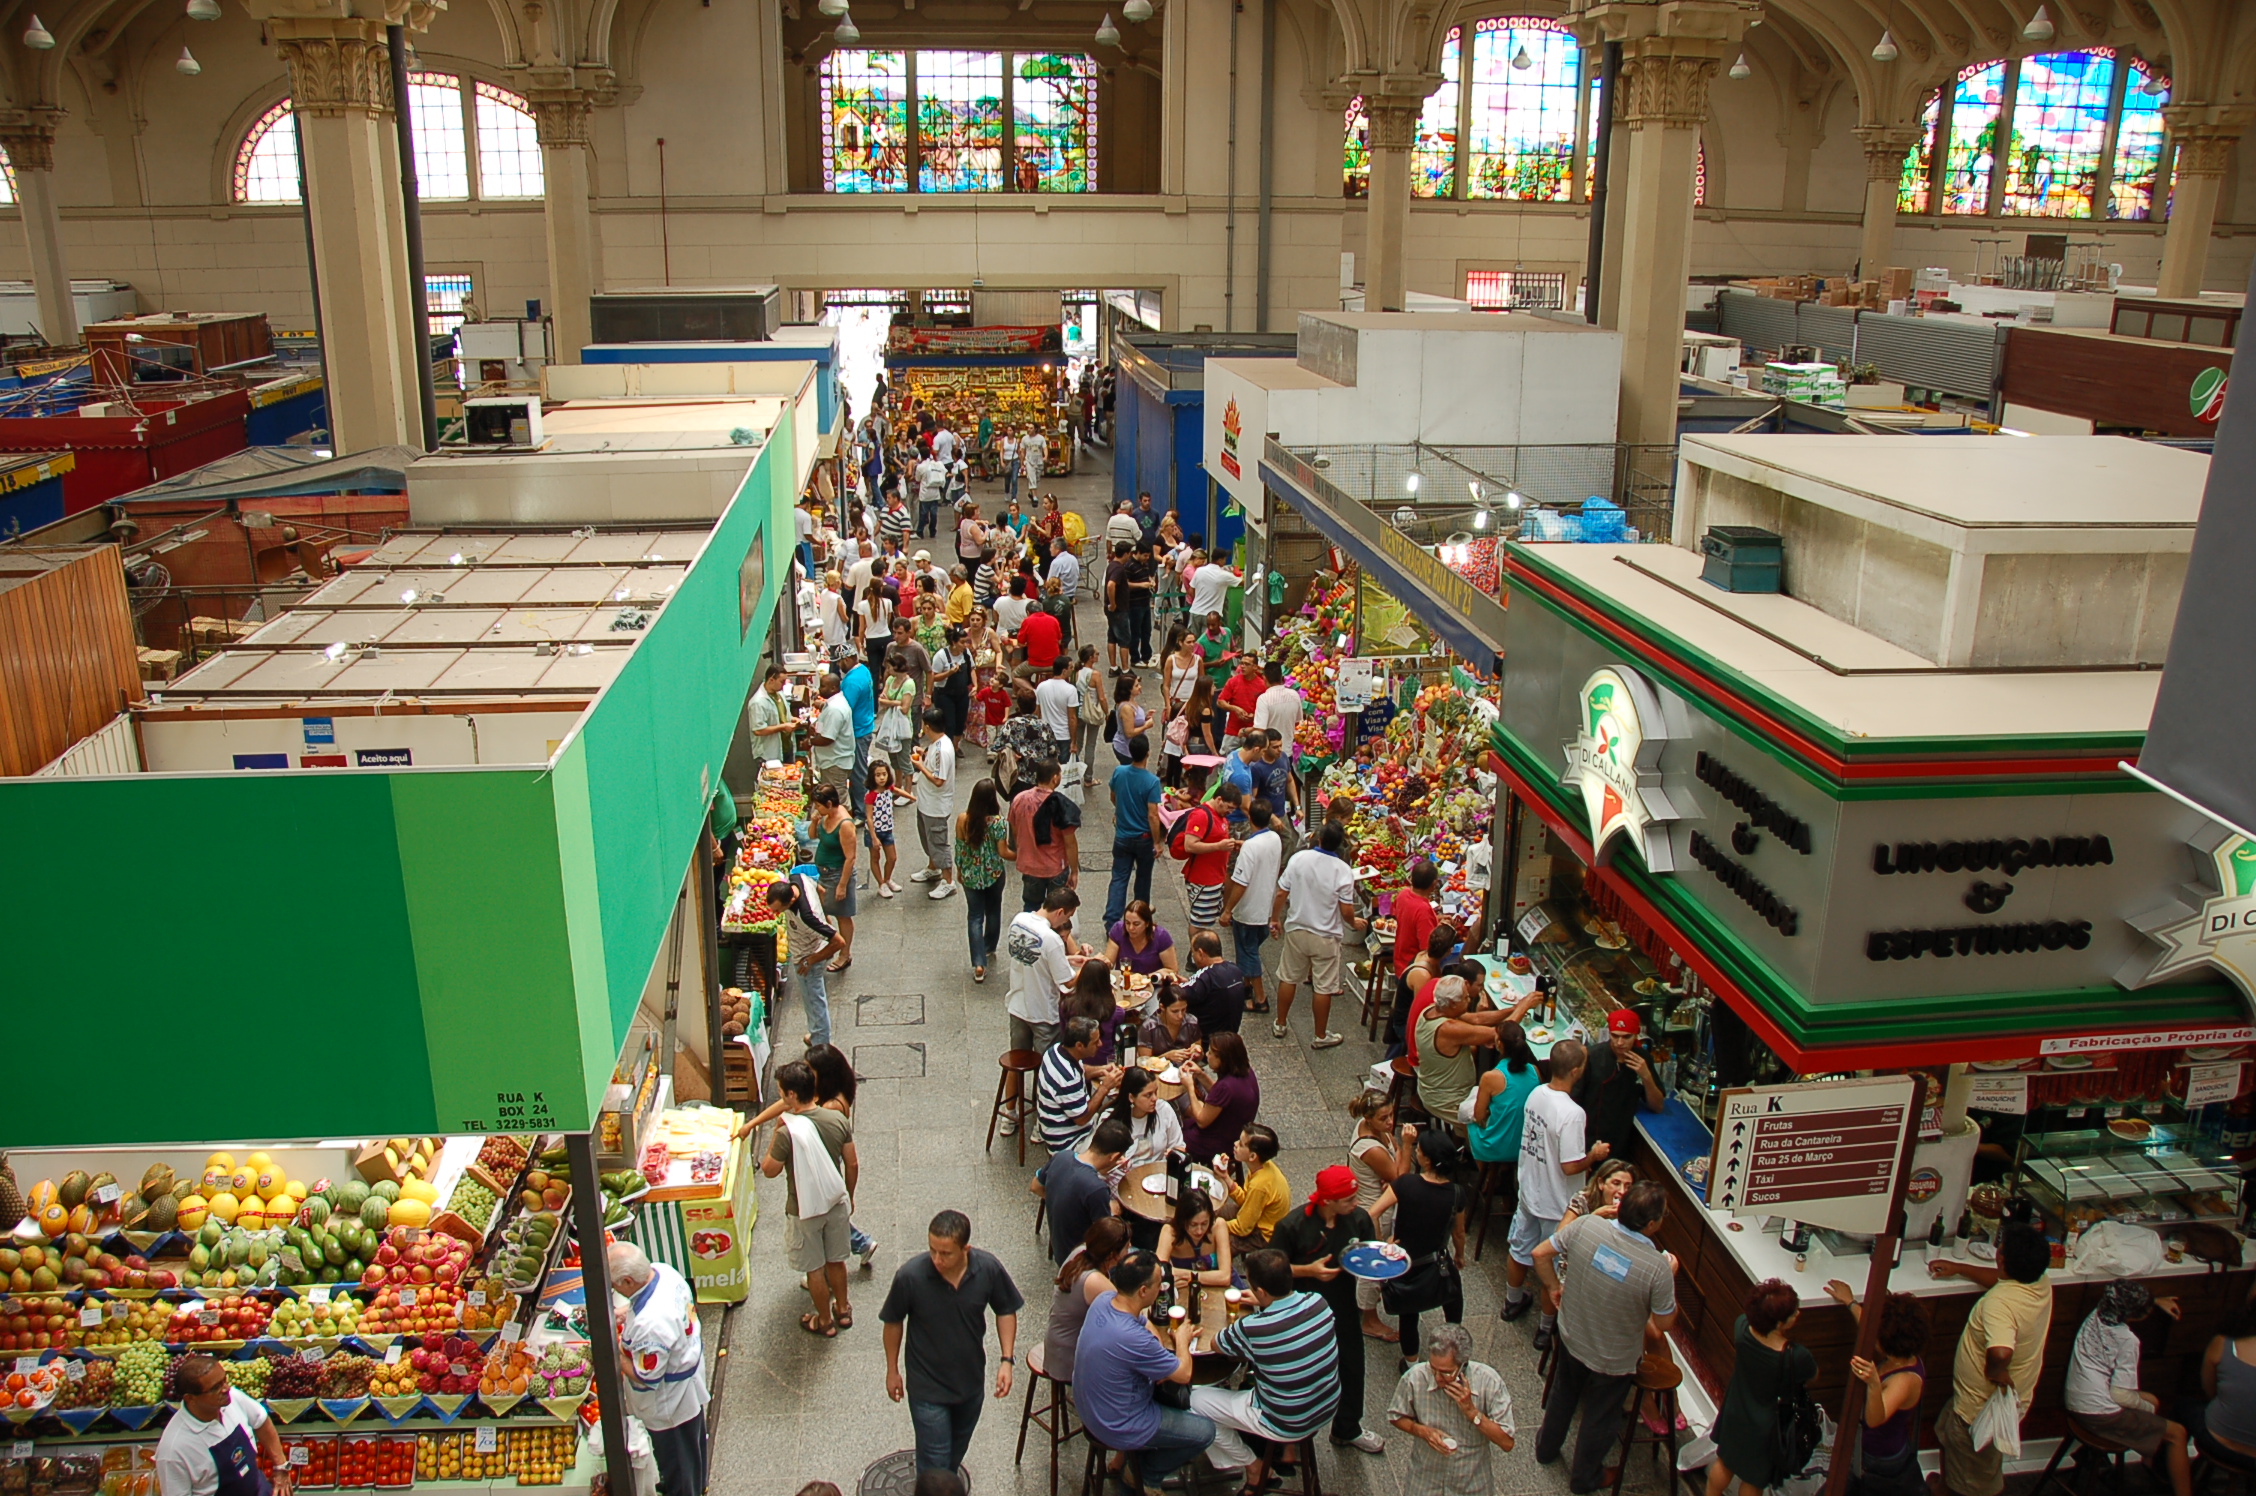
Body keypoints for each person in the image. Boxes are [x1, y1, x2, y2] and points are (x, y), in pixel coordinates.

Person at [1530, 1179, 1678, 1493]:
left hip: (1572, 1335)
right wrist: (1671, 1279)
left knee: (1563, 1395)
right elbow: (1663, 1324)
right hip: (1614, 1359)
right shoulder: (1657, 1267)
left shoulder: (1587, 1226)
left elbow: (1540, 1253)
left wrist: (1554, 1287)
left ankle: (1545, 1448)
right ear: (1651, 1224)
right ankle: (1585, 1478)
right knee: (1600, 1418)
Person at [879, 1210, 1023, 1479]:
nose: (937, 1259)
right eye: (932, 1250)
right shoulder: (910, 1277)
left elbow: (1005, 1309)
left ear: (965, 1249)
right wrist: (892, 1369)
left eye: (945, 1253)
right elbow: (893, 1321)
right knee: (935, 1462)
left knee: (955, 1452)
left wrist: (1006, 1360)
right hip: (927, 1388)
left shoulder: (987, 1269)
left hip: (969, 1384)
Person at [1193, 1248, 1343, 1489]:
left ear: (1260, 1291)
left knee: (1195, 1401)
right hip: (1327, 1406)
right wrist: (1265, 1303)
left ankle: (1253, 1466)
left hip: (1283, 1419)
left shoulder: (1254, 1328)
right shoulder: (1319, 1303)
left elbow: (1216, 1345)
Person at [1071, 1251, 1215, 1490]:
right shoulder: (1131, 1338)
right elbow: (1183, 1374)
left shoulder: (1104, 1301)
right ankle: (1145, 1473)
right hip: (1118, 1422)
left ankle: (1130, 1459)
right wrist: (1181, 1339)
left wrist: (1155, 1349)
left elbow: (1144, 1322)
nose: (1162, 1288)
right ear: (1143, 1291)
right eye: (1159, 1284)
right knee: (1205, 1431)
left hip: (1090, 1406)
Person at [1270, 1165, 1388, 1454]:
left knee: (1352, 1365)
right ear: (1327, 1201)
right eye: (1348, 1199)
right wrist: (1307, 1270)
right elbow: (1271, 1271)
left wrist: (1382, 1259)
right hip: (1301, 1312)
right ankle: (1291, 1430)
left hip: (1343, 1307)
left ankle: (1347, 1428)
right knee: (1299, 1372)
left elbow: (1365, 1256)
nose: (1356, 1203)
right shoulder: (1292, 1226)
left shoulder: (1358, 1220)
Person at [1930, 1222, 2053, 1496]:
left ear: (2001, 1258)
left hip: (1981, 1410)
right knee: (1945, 1432)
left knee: (1978, 1482)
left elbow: (2000, 1351)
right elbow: (2002, 1280)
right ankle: (1946, 1486)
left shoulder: (1999, 1304)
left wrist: (1998, 1372)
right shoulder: (2039, 1282)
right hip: (1975, 1401)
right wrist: (1960, 1268)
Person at [1502, 1038, 1605, 1346]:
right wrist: (1595, 1155)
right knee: (1554, 1268)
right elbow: (1571, 1166)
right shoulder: (1573, 1114)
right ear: (1576, 1071)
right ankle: (1546, 1328)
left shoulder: (1536, 1093)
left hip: (1530, 1190)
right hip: (1557, 1203)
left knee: (1519, 1248)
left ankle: (1511, 1301)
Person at [601, 1243, 714, 1496]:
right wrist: (625, 1312)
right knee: (690, 1453)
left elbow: (646, 1375)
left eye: (615, 1285)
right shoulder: (662, 1272)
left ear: (628, 1281)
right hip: (686, 1382)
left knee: (680, 1466)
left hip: (669, 1404)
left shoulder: (651, 1323)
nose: (614, 1290)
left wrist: (614, 1355)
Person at [761, 1059, 860, 1337]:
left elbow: (769, 1170)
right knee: (837, 1260)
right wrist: (849, 1197)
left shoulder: (787, 1132)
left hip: (803, 1209)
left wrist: (776, 1133)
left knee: (815, 1268)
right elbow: (852, 1164)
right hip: (834, 1202)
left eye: (782, 1092)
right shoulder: (837, 1119)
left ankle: (824, 1321)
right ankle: (843, 1309)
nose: (781, 1097)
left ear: (792, 1094)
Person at [2064, 1281, 2190, 1496]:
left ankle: (2146, 1456)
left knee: (2149, 1405)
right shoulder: (2127, 1340)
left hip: (2074, 1398)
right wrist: (2148, 1404)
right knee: (2177, 1433)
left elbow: (2121, 1294)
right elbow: (2120, 1395)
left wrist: (2155, 1301)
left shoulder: (2096, 1313)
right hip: (2098, 1413)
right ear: (2137, 1315)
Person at [1707, 1280, 1818, 1496]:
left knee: (1725, 1462)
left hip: (1735, 1410)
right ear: (1778, 1323)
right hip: (1765, 1426)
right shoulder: (1796, 1356)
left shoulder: (1742, 1328)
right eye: (1793, 1313)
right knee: (1753, 1480)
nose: (1798, 1315)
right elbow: (1813, 1376)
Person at [1817, 1284, 1929, 1496]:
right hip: (1883, 1450)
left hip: (1877, 1459)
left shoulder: (1903, 1381)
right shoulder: (1904, 1357)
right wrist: (1850, 1303)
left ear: (1887, 1342)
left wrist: (1874, 1384)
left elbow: (1875, 1419)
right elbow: (1872, 1330)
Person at [1387, 1322, 1515, 1496]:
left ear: (1463, 1365)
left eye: (1446, 1373)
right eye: (1433, 1370)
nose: (1438, 1379)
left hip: (1471, 1484)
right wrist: (1423, 1431)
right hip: (1425, 1482)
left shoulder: (1489, 1382)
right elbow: (1396, 1416)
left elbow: (1507, 1442)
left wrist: (1472, 1412)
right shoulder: (1416, 1377)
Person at [1371, 1124, 1465, 1361]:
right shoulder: (1456, 1193)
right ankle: (1453, 1352)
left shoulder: (1406, 1184)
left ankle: (1411, 1362)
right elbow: (1459, 1233)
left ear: (1427, 1160)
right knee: (1453, 1303)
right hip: (1438, 1263)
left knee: (1408, 1315)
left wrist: (1383, 1245)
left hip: (1406, 1264)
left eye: (1419, 1150)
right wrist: (1460, 1256)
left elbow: (1373, 1213)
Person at [1270, 822, 1364, 1050]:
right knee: (1323, 987)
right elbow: (1346, 910)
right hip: (1326, 936)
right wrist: (1354, 923)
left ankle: (1280, 1023)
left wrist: (1274, 919)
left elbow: (1282, 892)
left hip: (1297, 929)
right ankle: (1320, 1035)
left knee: (1288, 977)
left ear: (1319, 839)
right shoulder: (1342, 870)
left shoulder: (1299, 859)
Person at [1004, 887, 1087, 1133]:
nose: (1066, 922)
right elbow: (1068, 982)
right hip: (1043, 1012)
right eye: (1068, 916)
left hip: (1018, 1006)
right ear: (1060, 912)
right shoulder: (1051, 938)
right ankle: (1041, 1121)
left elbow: (1035, 959)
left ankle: (1009, 1114)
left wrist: (1069, 961)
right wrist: (1087, 968)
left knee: (1016, 1055)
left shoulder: (1019, 920)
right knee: (1045, 1068)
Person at [155, 1353, 290, 1496]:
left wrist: (280, 1466)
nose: (226, 1389)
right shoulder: (173, 1450)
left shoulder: (232, 1399)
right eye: (215, 1388)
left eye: (224, 1380)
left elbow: (261, 1420)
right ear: (190, 1398)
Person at [1414, 976, 1521, 1123]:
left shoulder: (1432, 1010)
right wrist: (1524, 1006)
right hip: (1448, 1100)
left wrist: (1513, 1009)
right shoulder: (1448, 1029)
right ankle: (1471, 1142)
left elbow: (1478, 1020)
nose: (1469, 1000)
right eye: (1465, 998)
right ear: (1452, 1003)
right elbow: (1500, 1035)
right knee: (1498, 1120)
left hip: (1435, 1088)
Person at [1047, 1218, 1134, 1386]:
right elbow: (1128, 1313)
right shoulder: (1094, 1281)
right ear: (1112, 1255)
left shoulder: (1081, 1252)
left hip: (1058, 1345)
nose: (1130, 1248)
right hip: (1069, 1358)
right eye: (1126, 1246)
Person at [1468, 1022, 1540, 1221]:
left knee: (1470, 1126)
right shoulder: (1535, 1071)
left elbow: (1478, 1115)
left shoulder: (1491, 1077)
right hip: (1525, 1144)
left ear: (1499, 1043)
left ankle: (1489, 1175)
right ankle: (1504, 1174)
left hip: (1499, 1146)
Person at [1033, 1117, 1129, 1264]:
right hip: (1083, 1261)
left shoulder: (1061, 1157)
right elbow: (1106, 1237)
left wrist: (1062, 1200)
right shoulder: (1097, 1189)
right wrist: (1113, 1211)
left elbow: (1035, 1186)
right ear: (1114, 1156)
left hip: (1061, 1251)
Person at [1575, 1009, 1667, 1155]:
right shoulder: (1592, 1057)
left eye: (1626, 1037)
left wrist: (1646, 1077)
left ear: (1636, 1035)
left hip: (1620, 1142)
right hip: (1588, 1140)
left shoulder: (1643, 1060)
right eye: (1615, 1036)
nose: (1619, 1043)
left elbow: (1657, 1106)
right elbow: (1573, 1102)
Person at [765, 874, 841, 1050]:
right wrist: (826, 919)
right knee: (810, 1000)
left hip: (809, 955)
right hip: (805, 949)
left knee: (814, 1000)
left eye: (778, 910)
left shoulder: (807, 917)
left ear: (791, 902)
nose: (775, 914)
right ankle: (817, 1034)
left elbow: (839, 942)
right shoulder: (798, 879)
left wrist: (811, 960)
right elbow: (821, 889)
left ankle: (821, 1045)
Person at [1224, 800, 1284, 1014]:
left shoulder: (1251, 847)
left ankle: (1260, 999)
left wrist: (1228, 909)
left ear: (1250, 818)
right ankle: (1246, 986)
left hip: (1248, 910)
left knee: (1248, 952)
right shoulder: (1274, 839)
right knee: (1248, 950)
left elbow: (1241, 882)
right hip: (1265, 907)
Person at [954, 777, 1014, 982]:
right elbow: (1003, 852)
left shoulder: (963, 819)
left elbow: (960, 849)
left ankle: (978, 963)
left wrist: (960, 870)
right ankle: (989, 946)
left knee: (974, 916)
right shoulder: (998, 822)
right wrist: (1021, 856)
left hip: (971, 875)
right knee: (994, 909)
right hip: (994, 874)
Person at [1039, 1016, 1125, 1155]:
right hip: (1069, 1143)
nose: (1100, 1044)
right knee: (1122, 1138)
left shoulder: (1055, 1051)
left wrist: (1101, 1069)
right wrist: (1104, 1087)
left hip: (1068, 1128)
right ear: (1079, 1045)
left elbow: (1081, 1069)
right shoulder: (1066, 1077)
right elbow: (1082, 1118)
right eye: (1095, 1042)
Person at [1106, 733, 1165, 928]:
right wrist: (1157, 842)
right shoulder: (1152, 781)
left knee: (1119, 878)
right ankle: (1141, 918)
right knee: (1143, 879)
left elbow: (1113, 796)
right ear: (1148, 753)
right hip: (1144, 837)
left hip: (1122, 835)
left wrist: (1120, 812)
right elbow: (1153, 814)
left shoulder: (1119, 772)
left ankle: (1112, 920)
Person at [1382, 862, 1442, 1045]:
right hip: (1413, 968)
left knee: (1402, 1010)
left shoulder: (1403, 895)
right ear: (1433, 885)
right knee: (1410, 1017)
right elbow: (1428, 949)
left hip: (1400, 960)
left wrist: (1436, 920)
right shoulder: (1423, 910)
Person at [1010, 759, 1081, 911]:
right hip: (1055, 866)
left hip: (1030, 866)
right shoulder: (1061, 805)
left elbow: (1015, 831)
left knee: (1031, 907)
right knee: (1056, 911)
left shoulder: (1019, 800)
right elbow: (1070, 843)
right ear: (1055, 778)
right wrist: (1074, 870)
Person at [2196, 1296, 2256, 1471]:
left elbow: (2210, 1391)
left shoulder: (2224, 1344)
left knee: (2182, 1408)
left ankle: (2164, 1477)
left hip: (2221, 1442)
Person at [904, 708, 958, 900]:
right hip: (926, 803)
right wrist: (923, 755)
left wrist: (919, 766)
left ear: (927, 727)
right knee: (928, 839)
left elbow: (939, 780)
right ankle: (933, 867)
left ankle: (948, 881)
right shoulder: (936, 745)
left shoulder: (943, 749)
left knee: (938, 842)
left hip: (936, 806)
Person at [1181, 1029, 1260, 1161]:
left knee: (1172, 1134)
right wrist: (1200, 1074)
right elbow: (1220, 1098)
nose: (1207, 1055)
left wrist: (1189, 1086)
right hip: (1233, 1132)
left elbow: (1201, 1121)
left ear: (1222, 1059)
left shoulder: (1226, 1086)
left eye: (1211, 1053)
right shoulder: (1246, 1071)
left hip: (1216, 1143)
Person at [807, 782, 858, 971]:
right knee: (822, 911)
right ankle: (831, 945)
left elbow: (850, 857)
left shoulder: (845, 825)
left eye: (819, 805)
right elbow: (813, 836)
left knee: (843, 915)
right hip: (823, 873)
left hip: (837, 874)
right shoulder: (824, 817)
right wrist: (814, 821)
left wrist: (842, 885)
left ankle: (845, 953)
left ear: (829, 804)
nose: (816, 809)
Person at [1107, 1065, 1186, 1169]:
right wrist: (1116, 1162)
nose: (1155, 1098)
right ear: (1131, 1097)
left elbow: (1179, 1147)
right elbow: (1102, 1162)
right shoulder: (1111, 1120)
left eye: (1155, 1092)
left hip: (1158, 1173)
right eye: (1148, 1095)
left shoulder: (1164, 1109)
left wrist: (1174, 1155)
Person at [1226, 1123, 1290, 1250]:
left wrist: (1213, 1225)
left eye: (1241, 1144)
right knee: (1211, 1212)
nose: (1235, 1143)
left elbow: (1242, 1228)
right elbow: (1247, 1200)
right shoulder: (1261, 1166)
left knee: (1216, 1242)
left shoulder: (1259, 1185)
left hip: (1262, 1234)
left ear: (1253, 1156)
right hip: (1255, 1216)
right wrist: (1225, 1178)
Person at [1177, 929, 1248, 1037]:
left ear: (1201, 953)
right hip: (1229, 1039)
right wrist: (1189, 982)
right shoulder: (1235, 970)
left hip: (1204, 1040)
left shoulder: (1206, 976)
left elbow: (1179, 993)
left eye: (1193, 953)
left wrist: (1170, 983)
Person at [1156, 1193, 1234, 1286]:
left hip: (1223, 1289)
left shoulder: (1218, 1226)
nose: (1199, 1231)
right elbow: (1159, 1272)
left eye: (1205, 1223)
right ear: (1182, 1220)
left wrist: (1189, 1276)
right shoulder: (1170, 1232)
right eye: (1193, 1225)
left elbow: (1225, 1277)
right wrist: (1211, 1277)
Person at [862, 759, 909, 898]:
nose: (882, 778)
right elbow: (869, 817)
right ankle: (881, 883)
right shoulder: (871, 795)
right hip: (874, 832)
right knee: (875, 858)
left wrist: (910, 796)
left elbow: (897, 790)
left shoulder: (889, 789)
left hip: (887, 830)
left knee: (892, 857)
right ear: (872, 777)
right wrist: (874, 837)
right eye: (878, 775)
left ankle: (887, 879)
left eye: (884, 774)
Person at [810, 670, 855, 804]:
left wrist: (809, 741)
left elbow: (828, 738)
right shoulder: (834, 704)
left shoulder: (834, 709)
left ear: (833, 688)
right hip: (833, 761)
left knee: (838, 801)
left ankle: (845, 824)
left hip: (835, 762)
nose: (820, 689)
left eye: (823, 686)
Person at [1105, 900, 1180, 980]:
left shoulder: (1161, 937)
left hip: (1153, 984)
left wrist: (1156, 975)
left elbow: (1172, 970)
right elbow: (1109, 962)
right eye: (1127, 923)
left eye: (1136, 924)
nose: (1131, 928)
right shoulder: (1118, 930)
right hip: (1124, 982)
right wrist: (1103, 962)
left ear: (1147, 923)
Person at [1139, 981, 1203, 1062]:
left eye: (1183, 1010)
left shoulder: (1191, 1022)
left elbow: (1199, 1057)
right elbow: (1144, 1063)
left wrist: (1197, 1052)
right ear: (1162, 1007)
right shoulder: (1149, 1027)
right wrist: (1166, 1057)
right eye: (1175, 1011)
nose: (1180, 1016)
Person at [747, 664, 792, 766]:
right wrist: (783, 727)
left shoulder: (779, 694)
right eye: (782, 682)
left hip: (785, 748)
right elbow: (758, 730)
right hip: (768, 755)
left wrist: (793, 720)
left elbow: (781, 715)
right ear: (771, 680)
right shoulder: (758, 702)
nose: (784, 685)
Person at [1020, 586, 1064, 672]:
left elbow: (1021, 643)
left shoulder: (1027, 621)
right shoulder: (1053, 620)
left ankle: (1029, 686)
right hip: (1055, 661)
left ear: (1028, 612)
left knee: (1016, 674)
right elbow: (1059, 640)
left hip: (1035, 663)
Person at [1190, 553, 1238, 622]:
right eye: (1224, 559)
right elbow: (1242, 582)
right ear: (1220, 560)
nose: (1225, 562)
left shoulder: (1199, 571)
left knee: (1192, 633)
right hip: (1211, 617)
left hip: (1195, 611)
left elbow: (1192, 589)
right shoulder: (1224, 575)